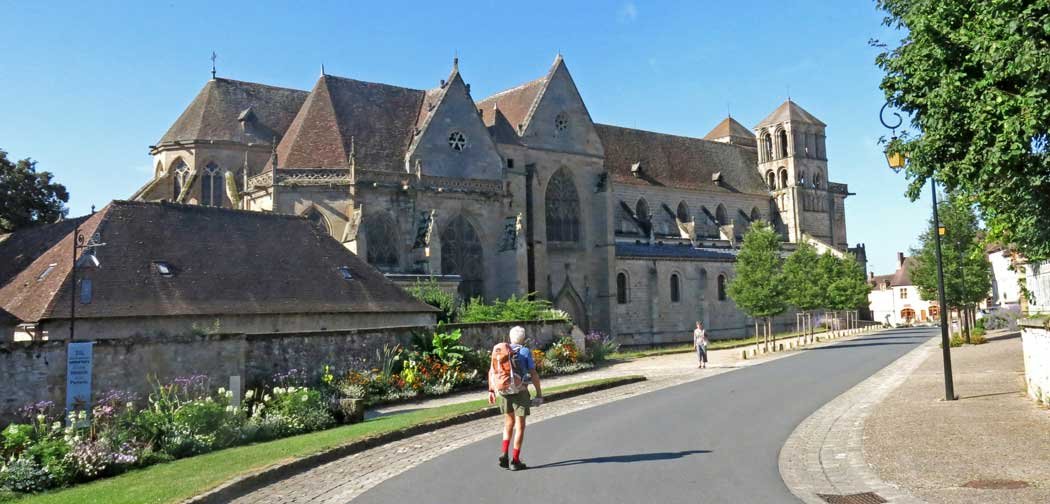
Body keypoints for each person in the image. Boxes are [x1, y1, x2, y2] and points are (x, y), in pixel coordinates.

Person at [488, 325, 543, 471]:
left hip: (504, 391)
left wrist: (491, 390)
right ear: (523, 338)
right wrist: (539, 393)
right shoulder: (524, 351)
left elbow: (491, 371)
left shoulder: (501, 351)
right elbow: (533, 374)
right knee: (520, 426)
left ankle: (504, 453)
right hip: (520, 391)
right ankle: (515, 460)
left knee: (508, 423)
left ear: (510, 338)